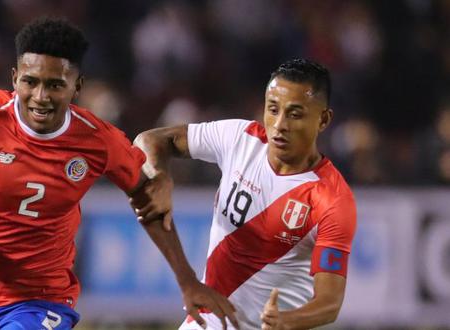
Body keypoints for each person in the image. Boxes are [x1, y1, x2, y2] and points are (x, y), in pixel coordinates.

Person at [0, 17, 238, 330]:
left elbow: (149, 201)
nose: (40, 96)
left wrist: (188, 281)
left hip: (40, 302)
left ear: (76, 86)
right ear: (15, 77)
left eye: (54, 85)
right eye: (30, 82)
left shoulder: (97, 141)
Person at [132, 59, 357, 329]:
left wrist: (286, 321)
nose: (279, 124)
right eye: (273, 109)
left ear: (323, 119)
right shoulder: (240, 138)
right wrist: (160, 175)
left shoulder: (331, 199)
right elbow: (150, 139)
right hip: (209, 322)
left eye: (295, 114)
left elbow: (330, 303)